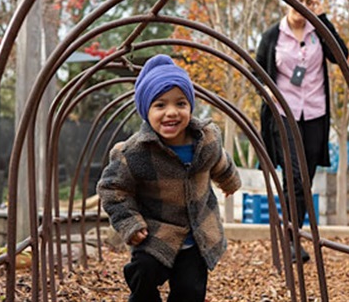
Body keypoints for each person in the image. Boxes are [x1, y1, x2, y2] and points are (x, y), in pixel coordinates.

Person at [97, 54, 241, 302]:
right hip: (156, 233)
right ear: (146, 110)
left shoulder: (206, 140)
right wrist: (130, 222)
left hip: (197, 235)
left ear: (190, 106)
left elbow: (220, 161)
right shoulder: (134, 153)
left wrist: (229, 181)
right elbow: (113, 189)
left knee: (191, 291)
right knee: (143, 272)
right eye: (160, 105)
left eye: (181, 103)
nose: (171, 112)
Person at [256, 0, 349, 263]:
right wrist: (267, 89)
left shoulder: (318, 31)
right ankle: (292, 238)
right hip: (284, 115)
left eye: (310, 1)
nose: (304, 5)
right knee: (294, 177)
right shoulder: (272, 35)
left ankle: (292, 235)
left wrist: (324, 19)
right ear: (287, 0)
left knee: (304, 180)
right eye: (299, 0)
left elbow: (340, 56)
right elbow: (257, 69)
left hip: (315, 115)